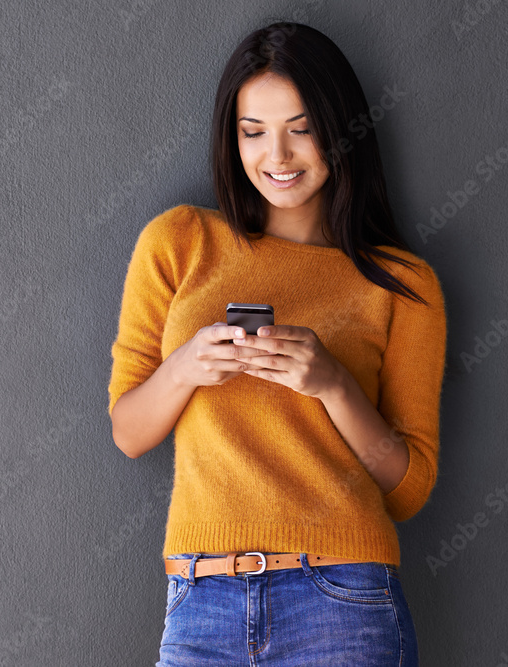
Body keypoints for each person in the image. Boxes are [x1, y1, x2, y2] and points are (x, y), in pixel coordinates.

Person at [107, 21, 447, 666]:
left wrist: (333, 384)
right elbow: (128, 432)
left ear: (341, 128)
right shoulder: (179, 241)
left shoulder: (403, 285)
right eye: (253, 132)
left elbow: (408, 489)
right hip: (199, 599)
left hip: (342, 597)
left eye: (302, 127)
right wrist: (185, 368)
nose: (278, 156)